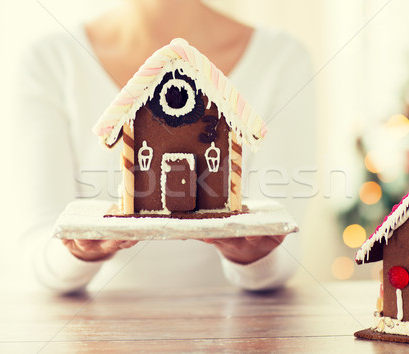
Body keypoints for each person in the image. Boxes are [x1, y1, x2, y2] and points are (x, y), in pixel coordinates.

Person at [17, 0, 314, 294]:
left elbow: (286, 244)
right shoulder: (51, 61)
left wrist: (255, 255)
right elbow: (39, 253)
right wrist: (81, 249)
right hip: (96, 330)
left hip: (239, 329)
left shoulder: (282, 58)